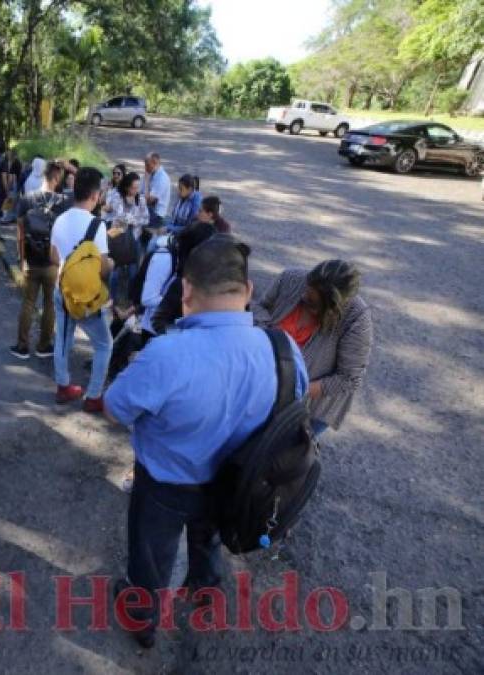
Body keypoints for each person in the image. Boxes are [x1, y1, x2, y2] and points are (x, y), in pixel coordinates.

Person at [104, 235, 309, 648]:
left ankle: (143, 617)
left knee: (151, 552)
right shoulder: (282, 349)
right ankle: (206, 590)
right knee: (208, 536)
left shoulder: (166, 354)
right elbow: (297, 405)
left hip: (166, 484)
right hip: (238, 481)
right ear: (248, 290)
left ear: (186, 291)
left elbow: (114, 409)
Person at [252, 260, 372, 435]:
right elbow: (260, 307)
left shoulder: (356, 316)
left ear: (336, 307)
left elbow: (348, 379)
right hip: (262, 387)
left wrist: (291, 390)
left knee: (277, 455)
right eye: (306, 297)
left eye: (315, 305)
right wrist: (268, 331)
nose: (306, 305)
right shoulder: (290, 279)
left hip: (307, 408)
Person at [51, 167, 113, 411]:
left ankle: (63, 386)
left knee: (63, 339)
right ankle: (94, 396)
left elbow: (54, 257)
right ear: (95, 196)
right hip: (85, 298)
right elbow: (102, 270)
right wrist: (112, 263)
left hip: (62, 290)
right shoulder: (97, 226)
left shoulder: (60, 219)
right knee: (104, 344)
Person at [10, 161, 69, 360]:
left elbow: (20, 232)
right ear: (57, 178)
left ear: (42, 176)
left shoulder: (27, 200)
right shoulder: (63, 202)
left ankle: (22, 346)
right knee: (50, 304)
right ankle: (44, 345)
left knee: (28, 303)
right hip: (53, 263)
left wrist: (22, 258)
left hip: (31, 261)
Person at [107, 171, 149, 304]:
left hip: (134, 238)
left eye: (138, 187)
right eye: (133, 188)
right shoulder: (117, 197)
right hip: (118, 238)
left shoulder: (140, 199)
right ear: (126, 187)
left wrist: (132, 220)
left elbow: (146, 218)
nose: (136, 190)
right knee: (114, 270)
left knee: (133, 271)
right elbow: (119, 216)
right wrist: (134, 219)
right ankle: (111, 299)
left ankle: (131, 300)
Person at [141, 152, 171, 230]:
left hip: (156, 216)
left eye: (147, 165)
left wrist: (146, 181)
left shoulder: (162, 178)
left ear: (155, 163)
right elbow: (138, 191)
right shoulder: (151, 174)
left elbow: (149, 200)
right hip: (147, 211)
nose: (145, 168)